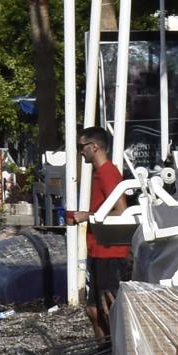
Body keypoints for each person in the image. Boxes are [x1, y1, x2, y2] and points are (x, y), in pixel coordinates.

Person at [78, 125, 132, 341]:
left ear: (95, 146)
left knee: (108, 308)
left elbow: (121, 210)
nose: (80, 151)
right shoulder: (100, 174)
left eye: (82, 146)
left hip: (111, 253)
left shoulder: (108, 172)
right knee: (93, 310)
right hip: (98, 250)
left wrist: (88, 216)